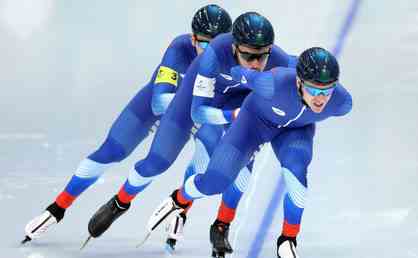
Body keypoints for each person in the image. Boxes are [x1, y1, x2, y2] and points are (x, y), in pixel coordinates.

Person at [87, 11, 296, 256]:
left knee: (241, 168)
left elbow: (300, 77)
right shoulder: (214, 55)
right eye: (248, 55)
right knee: (157, 162)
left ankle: (220, 225)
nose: (256, 64)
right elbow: (198, 113)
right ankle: (120, 202)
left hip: (235, 103)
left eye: (262, 56)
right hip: (197, 102)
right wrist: (232, 117)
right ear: (233, 47)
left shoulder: (277, 60)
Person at [22, 4, 232, 245]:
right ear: (192, 38)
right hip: (164, 104)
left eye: (216, 45)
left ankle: (175, 208)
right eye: (204, 43)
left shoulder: (235, 59)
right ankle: (57, 207)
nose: (209, 52)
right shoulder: (180, 48)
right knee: (111, 150)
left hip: (192, 113)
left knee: (198, 152)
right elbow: (158, 102)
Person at [148, 47, 353, 258]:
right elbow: (239, 73)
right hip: (254, 123)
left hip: (295, 131)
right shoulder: (271, 83)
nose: (320, 99)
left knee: (297, 176)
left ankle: (288, 240)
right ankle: (179, 199)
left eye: (326, 91)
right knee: (216, 182)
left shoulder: (342, 102)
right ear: (299, 82)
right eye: (314, 90)